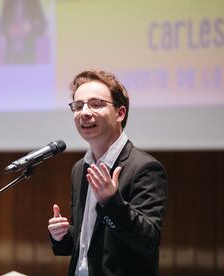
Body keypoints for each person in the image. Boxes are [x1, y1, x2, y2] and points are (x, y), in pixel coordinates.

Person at [48, 70, 168, 276]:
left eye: (96, 104)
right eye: (78, 106)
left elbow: (148, 240)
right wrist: (62, 235)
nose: (84, 112)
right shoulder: (80, 168)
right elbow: (89, 241)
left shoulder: (145, 168)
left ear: (120, 113)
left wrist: (111, 202)